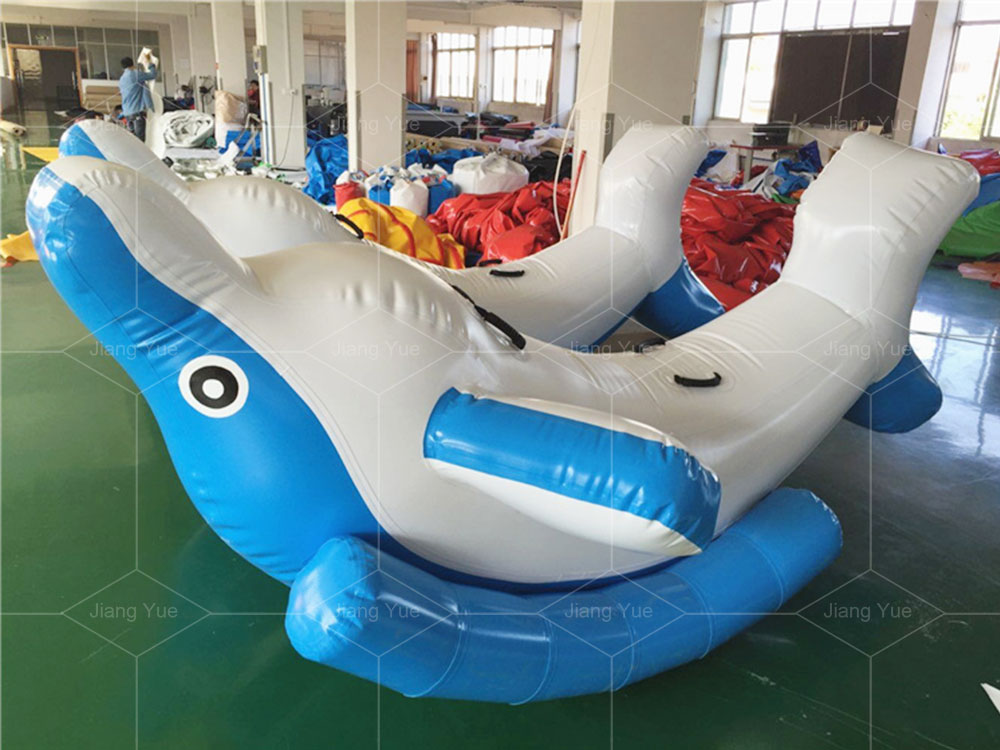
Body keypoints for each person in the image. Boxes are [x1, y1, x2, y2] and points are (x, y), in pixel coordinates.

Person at [118, 55, 156, 141]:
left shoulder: (121, 79)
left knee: (133, 140)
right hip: (136, 112)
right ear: (132, 64)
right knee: (140, 140)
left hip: (127, 113)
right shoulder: (135, 74)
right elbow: (152, 75)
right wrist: (151, 64)